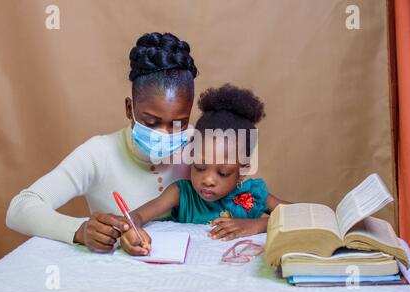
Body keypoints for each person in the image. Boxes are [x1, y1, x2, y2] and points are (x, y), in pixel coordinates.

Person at [6, 32, 198, 253]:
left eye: (179, 123)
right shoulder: (99, 154)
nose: (165, 134)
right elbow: (19, 209)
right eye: (151, 122)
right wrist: (79, 229)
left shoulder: (200, 146)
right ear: (130, 109)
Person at [121, 84, 289, 256]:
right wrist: (131, 230)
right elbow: (136, 217)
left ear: (243, 170)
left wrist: (258, 225)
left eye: (223, 173)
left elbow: (303, 215)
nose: (208, 180)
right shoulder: (181, 193)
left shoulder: (254, 194)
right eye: (199, 167)